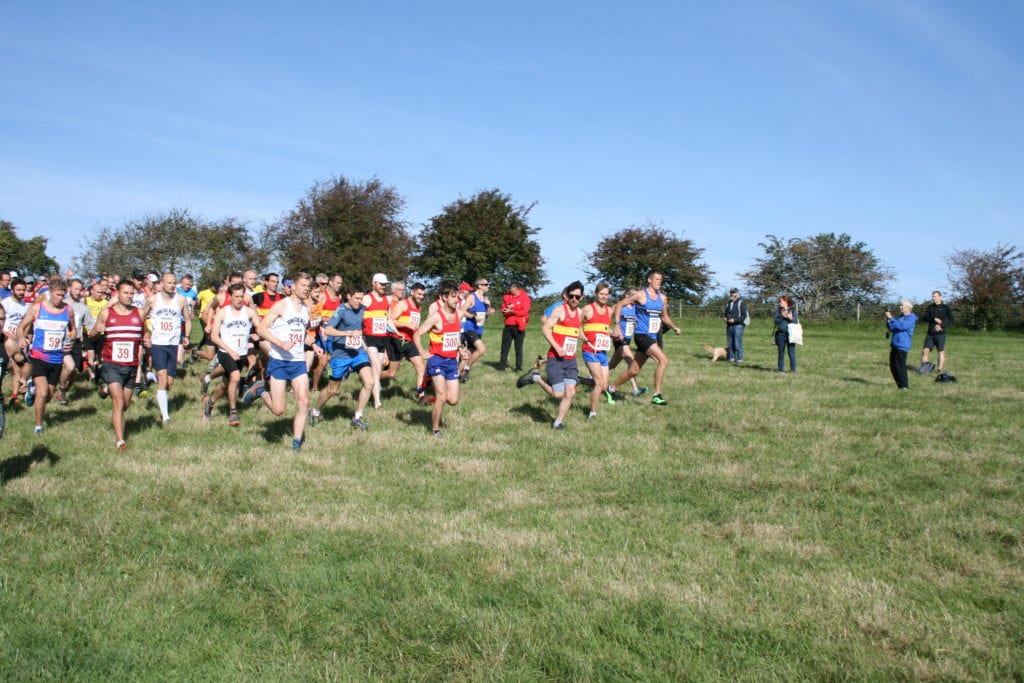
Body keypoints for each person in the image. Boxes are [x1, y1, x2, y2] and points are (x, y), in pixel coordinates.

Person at [244, 273, 323, 451]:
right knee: (278, 410)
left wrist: (313, 345)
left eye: (308, 286)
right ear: (293, 286)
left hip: (298, 361)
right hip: (279, 360)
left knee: (304, 402)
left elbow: (300, 333)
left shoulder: (306, 309)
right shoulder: (281, 305)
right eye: (303, 285)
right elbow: (261, 329)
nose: (306, 289)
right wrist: (280, 343)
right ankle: (260, 391)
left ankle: (296, 443)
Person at [517, 281, 586, 429]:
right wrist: (557, 346)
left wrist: (587, 340)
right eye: (571, 296)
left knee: (570, 392)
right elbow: (545, 328)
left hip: (571, 360)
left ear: (582, 298)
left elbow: (577, 330)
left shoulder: (580, 313)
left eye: (577, 297)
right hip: (556, 358)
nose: (574, 299)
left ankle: (558, 422)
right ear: (567, 296)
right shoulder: (559, 310)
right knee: (558, 394)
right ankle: (536, 378)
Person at [608, 271, 681, 406]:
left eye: (661, 280)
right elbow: (619, 305)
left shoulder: (662, 298)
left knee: (634, 370)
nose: (659, 281)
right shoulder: (640, 295)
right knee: (663, 360)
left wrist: (674, 327)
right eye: (657, 279)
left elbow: (664, 317)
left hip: (653, 337)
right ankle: (656, 395)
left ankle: (611, 389)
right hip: (642, 336)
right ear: (649, 280)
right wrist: (617, 325)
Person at [310, 284, 375, 430]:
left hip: (357, 353)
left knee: (369, 383)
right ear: (348, 296)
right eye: (356, 298)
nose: (359, 301)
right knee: (332, 390)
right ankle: (315, 412)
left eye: (361, 298)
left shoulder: (363, 309)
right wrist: (348, 333)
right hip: (340, 355)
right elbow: (328, 330)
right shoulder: (341, 310)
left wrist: (365, 345)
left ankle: (357, 417)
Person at [90, 280, 145, 450]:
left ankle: (106, 390)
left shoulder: (139, 313)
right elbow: (92, 335)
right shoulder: (107, 313)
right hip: (111, 364)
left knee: (125, 405)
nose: (129, 296)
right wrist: (97, 330)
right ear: (117, 293)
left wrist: (148, 338)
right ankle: (120, 441)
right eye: (125, 293)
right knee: (119, 403)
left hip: (131, 365)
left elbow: (145, 333)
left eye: (131, 293)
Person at [17, 278, 75, 434]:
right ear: (50, 293)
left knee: (48, 396)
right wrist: (21, 338)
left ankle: (32, 390)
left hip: (57, 358)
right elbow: (21, 326)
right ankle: (38, 427)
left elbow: (73, 329)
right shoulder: (37, 308)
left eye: (63, 295)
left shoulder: (68, 310)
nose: (60, 298)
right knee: (42, 393)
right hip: (38, 356)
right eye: (57, 294)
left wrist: (70, 340)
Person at [205, 282, 261, 426]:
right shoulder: (223, 313)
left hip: (241, 354)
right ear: (230, 297)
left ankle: (209, 403)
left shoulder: (249, 312)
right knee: (235, 378)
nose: (239, 299)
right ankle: (233, 413)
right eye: (236, 296)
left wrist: (257, 335)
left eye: (241, 296)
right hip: (225, 352)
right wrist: (230, 351)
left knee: (225, 385)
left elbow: (260, 327)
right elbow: (214, 337)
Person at [413, 282, 464, 436]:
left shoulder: (459, 314)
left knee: (453, 400)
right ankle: (435, 430)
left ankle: (429, 395)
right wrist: (422, 351)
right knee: (441, 397)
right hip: (437, 360)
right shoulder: (436, 317)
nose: (456, 300)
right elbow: (417, 334)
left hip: (451, 362)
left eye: (458, 297)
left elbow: (456, 334)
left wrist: (461, 348)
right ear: (444, 298)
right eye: (453, 297)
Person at [141, 272, 191, 423]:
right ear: (161, 284)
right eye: (169, 283)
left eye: (174, 283)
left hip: (173, 343)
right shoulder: (152, 300)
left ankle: (151, 377)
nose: (172, 285)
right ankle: (165, 417)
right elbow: (141, 317)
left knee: (169, 384)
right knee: (163, 378)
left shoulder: (180, 300)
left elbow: (188, 319)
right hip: (158, 343)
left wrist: (187, 336)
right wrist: (146, 334)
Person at [580, 282, 616, 419]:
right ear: (596, 294)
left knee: (604, 386)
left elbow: (604, 328)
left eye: (606, 294)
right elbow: (576, 326)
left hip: (602, 352)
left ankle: (577, 380)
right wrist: (586, 340)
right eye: (601, 294)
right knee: (599, 383)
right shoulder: (587, 309)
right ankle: (592, 413)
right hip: (589, 350)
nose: (604, 296)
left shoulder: (609, 311)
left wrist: (611, 333)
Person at [608, 288, 647, 398]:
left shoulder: (635, 308)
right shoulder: (619, 306)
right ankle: (635, 389)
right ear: (626, 295)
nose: (635, 297)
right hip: (619, 339)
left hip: (628, 340)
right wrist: (612, 331)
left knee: (612, 365)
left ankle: (593, 376)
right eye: (632, 295)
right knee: (632, 362)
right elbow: (605, 319)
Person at [361, 273, 392, 409]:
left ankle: (369, 390)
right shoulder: (366, 299)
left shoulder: (388, 300)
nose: (383, 287)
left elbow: (388, 319)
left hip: (382, 338)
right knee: (376, 366)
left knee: (377, 370)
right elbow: (358, 318)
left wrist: (396, 332)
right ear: (374, 283)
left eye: (385, 284)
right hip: (369, 337)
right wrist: (361, 339)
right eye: (381, 284)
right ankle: (377, 401)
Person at [459, 278, 493, 382]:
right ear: (479, 286)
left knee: (468, 354)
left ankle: (456, 375)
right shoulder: (471, 297)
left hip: (479, 329)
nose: (488, 286)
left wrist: (489, 306)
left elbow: (486, 315)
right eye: (486, 284)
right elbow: (462, 311)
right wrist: (473, 316)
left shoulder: (485, 299)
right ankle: (466, 369)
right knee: (482, 349)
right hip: (469, 328)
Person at [498, 282, 531, 371]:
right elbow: (503, 309)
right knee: (504, 348)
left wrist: (513, 311)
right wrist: (505, 310)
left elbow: (525, 311)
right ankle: (501, 367)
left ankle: (518, 368)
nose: (509, 290)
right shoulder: (507, 297)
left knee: (518, 348)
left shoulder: (525, 297)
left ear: (515, 288)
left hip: (519, 326)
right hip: (508, 326)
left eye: (510, 288)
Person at [886, 299, 917, 390]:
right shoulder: (900, 317)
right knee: (893, 366)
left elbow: (901, 326)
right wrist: (889, 321)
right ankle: (899, 385)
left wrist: (891, 318)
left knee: (900, 366)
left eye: (902, 305)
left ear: (908, 308)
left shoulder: (911, 318)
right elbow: (892, 327)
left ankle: (904, 386)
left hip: (902, 345)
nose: (900, 307)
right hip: (895, 344)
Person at [919, 290, 952, 373]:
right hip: (930, 333)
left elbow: (951, 320)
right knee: (925, 350)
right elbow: (924, 317)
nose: (933, 298)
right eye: (932, 296)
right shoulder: (930, 307)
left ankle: (939, 369)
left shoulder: (946, 308)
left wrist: (942, 325)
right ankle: (924, 368)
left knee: (940, 351)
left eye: (935, 296)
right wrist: (934, 319)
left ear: (940, 297)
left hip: (941, 334)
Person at [773, 295, 798, 373]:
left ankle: (793, 370)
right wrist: (782, 316)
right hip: (780, 335)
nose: (779, 302)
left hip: (791, 335)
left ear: (786, 301)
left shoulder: (793, 310)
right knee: (781, 353)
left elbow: (795, 321)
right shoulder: (778, 310)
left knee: (791, 353)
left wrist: (790, 317)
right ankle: (781, 370)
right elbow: (775, 321)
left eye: (781, 301)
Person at [724, 287, 748, 363]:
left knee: (737, 343)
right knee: (730, 343)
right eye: (731, 293)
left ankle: (739, 359)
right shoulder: (728, 303)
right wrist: (725, 318)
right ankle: (731, 358)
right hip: (729, 326)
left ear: (737, 293)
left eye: (734, 292)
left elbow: (744, 316)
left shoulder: (741, 303)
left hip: (738, 326)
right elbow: (726, 313)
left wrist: (734, 320)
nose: (732, 294)